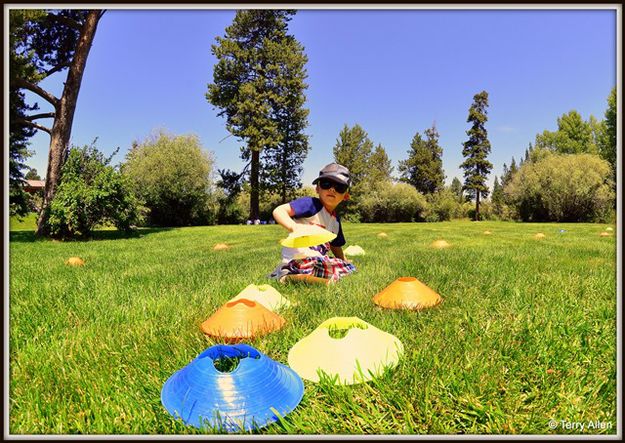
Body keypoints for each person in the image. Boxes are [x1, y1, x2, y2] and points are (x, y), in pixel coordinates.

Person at [270, 163, 356, 285]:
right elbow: (279, 211)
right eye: (326, 184)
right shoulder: (311, 204)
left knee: (344, 267)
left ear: (346, 196)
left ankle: (312, 278)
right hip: (297, 258)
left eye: (339, 187)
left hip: (318, 261)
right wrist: (293, 226)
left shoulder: (335, 222)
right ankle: (287, 276)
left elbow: (336, 246)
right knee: (306, 268)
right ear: (317, 188)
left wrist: (344, 261)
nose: (332, 189)